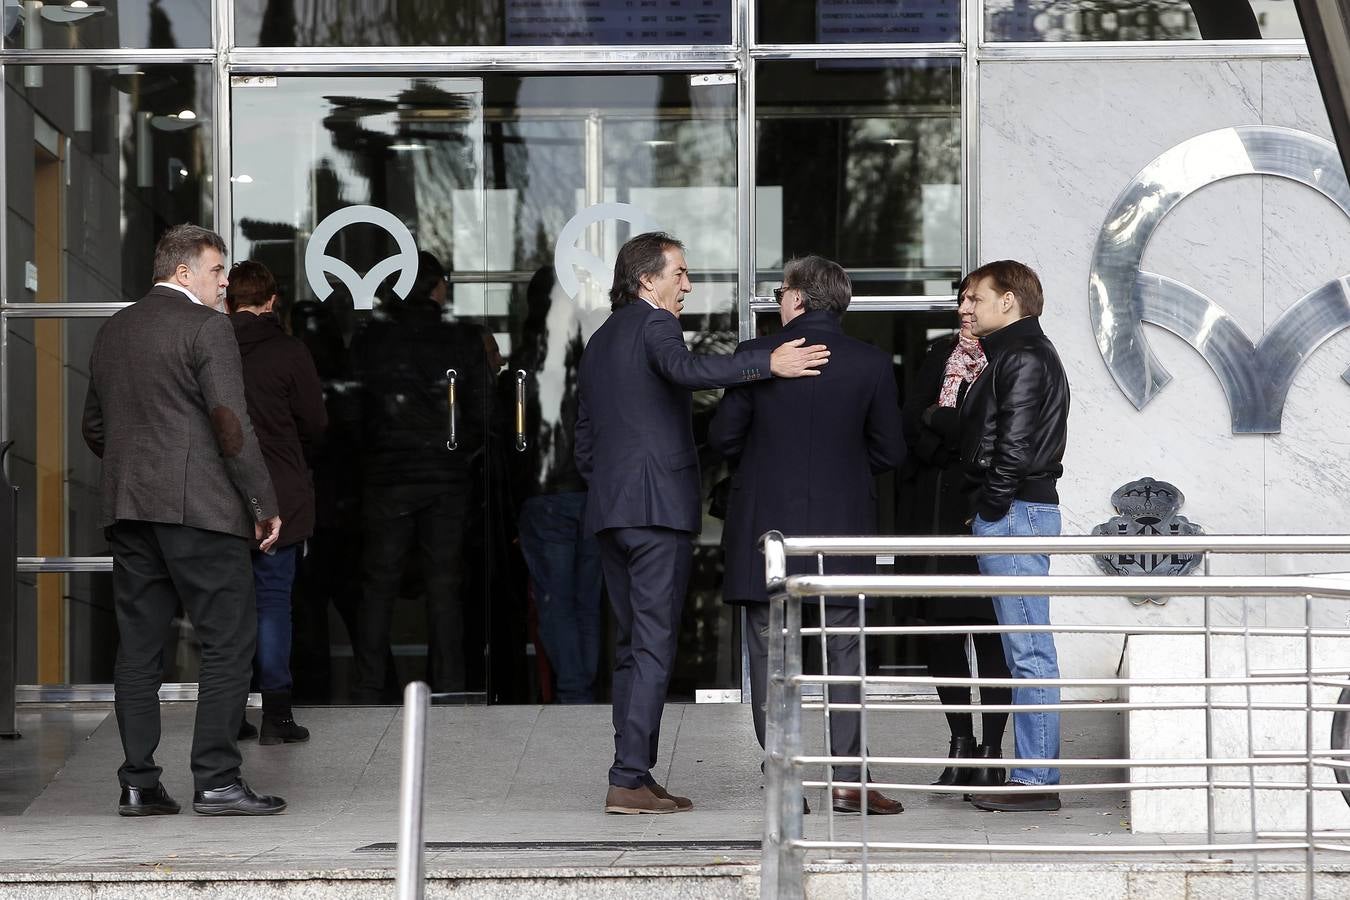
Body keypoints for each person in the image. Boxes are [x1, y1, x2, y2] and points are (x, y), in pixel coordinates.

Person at [575, 232, 829, 815]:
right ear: (648, 281)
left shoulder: (600, 339)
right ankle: (628, 777)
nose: (687, 285)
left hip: (612, 511)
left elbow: (584, 439)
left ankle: (633, 772)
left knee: (633, 646)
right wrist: (767, 360)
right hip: (654, 511)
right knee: (653, 646)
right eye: (680, 273)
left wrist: (615, 486)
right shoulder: (652, 324)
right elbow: (686, 370)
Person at [82, 224, 286, 816]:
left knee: (139, 649)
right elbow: (231, 426)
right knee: (227, 642)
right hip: (199, 511)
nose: (225, 283)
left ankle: (139, 783)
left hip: (129, 509)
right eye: (218, 271)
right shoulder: (207, 326)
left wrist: (140, 467)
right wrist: (263, 503)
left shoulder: (113, 330)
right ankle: (218, 780)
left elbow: (95, 428)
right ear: (183, 273)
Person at [708, 255, 905, 816]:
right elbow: (891, 450)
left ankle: (787, 784)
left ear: (795, 297)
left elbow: (723, 439)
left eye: (779, 291)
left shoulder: (756, 358)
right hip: (842, 532)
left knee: (773, 660)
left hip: (765, 531)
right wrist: (842, 471)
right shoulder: (871, 363)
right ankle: (849, 781)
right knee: (844, 655)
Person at [349, 251, 490, 703]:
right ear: (437, 287)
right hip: (446, 476)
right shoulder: (461, 339)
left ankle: (369, 686)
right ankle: (449, 686)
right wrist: (459, 450)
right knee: (445, 585)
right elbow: (482, 410)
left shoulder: (371, 339)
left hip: (388, 474)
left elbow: (353, 407)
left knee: (378, 585)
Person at [956, 259, 1070, 813]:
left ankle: (1035, 779)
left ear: (1009, 301)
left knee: (1028, 652)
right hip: (1018, 509)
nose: (965, 308)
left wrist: (991, 505)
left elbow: (1015, 445)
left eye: (975, 298)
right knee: (1025, 648)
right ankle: (1033, 773)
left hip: (1016, 510)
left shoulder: (1021, 356)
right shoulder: (1014, 354)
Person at [899, 287, 1012, 794]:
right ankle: (960, 741)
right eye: (962, 300)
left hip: (986, 510)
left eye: (974, 300)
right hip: (935, 513)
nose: (966, 311)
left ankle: (992, 748)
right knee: (941, 629)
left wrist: (943, 423)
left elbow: (991, 437)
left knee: (990, 630)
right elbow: (909, 428)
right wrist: (942, 429)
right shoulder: (936, 357)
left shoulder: (1009, 358)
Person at [226, 261, 328, 743]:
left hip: (220, 499)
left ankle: (229, 714)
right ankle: (277, 716)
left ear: (228, 302)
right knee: (272, 605)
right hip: (280, 494)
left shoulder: (213, 347)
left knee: (226, 607)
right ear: (271, 301)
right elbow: (316, 424)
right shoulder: (289, 352)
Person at [509, 267, 603, 704]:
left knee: (556, 600)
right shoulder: (590, 357)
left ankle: (573, 692)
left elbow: (512, 442)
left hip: (545, 495)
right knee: (587, 599)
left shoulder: (525, 364)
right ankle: (583, 689)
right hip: (590, 491)